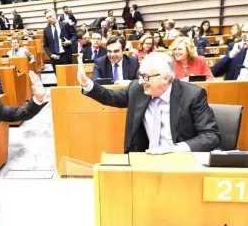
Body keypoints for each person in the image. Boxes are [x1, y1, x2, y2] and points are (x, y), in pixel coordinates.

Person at [77, 52, 221, 154]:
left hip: (180, 159)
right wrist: (86, 83)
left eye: (145, 77)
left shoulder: (193, 95)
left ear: (165, 78)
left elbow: (211, 135)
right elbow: (110, 96)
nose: (141, 81)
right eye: (140, 75)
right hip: (144, 158)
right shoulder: (137, 89)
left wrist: (176, 149)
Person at [43, 9, 77, 73]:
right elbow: (45, 45)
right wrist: (51, 55)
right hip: (54, 58)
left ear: (55, 15)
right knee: (59, 78)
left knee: (68, 76)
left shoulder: (65, 25)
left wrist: (70, 41)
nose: (49, 19)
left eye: (50, 16)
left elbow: (74, 35)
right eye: (47, 18)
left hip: (65, 55)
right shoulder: (46, 30)